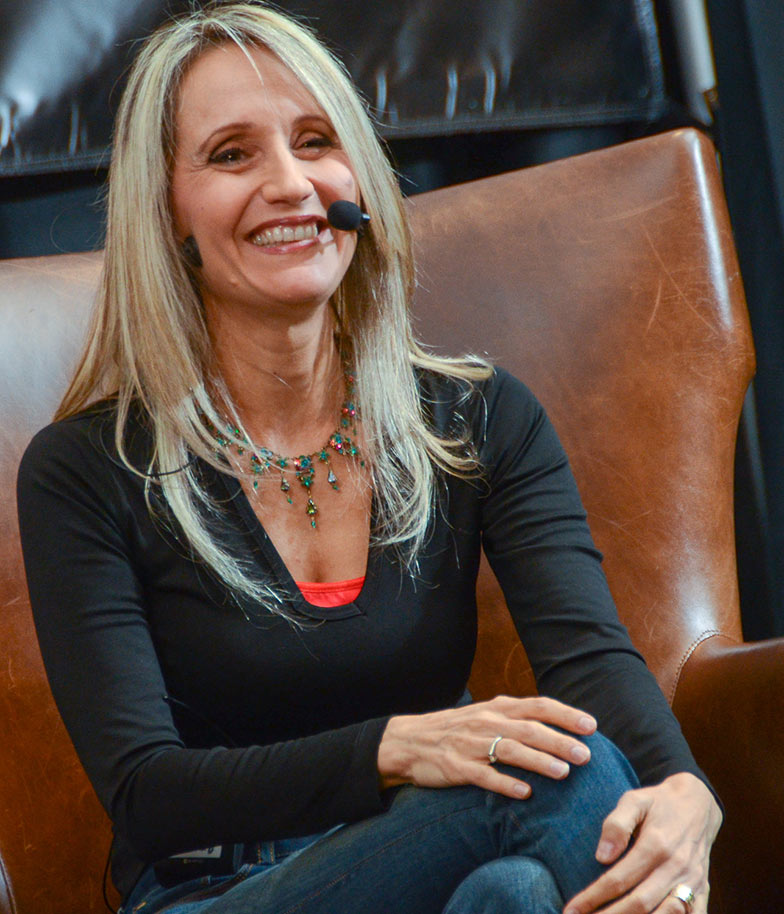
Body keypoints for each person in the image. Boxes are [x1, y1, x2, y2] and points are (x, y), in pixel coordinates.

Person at [16, 3, 721, 913]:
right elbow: (148, 795)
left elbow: (588, 661)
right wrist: (397, 748)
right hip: (215, 888)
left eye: (316, 141)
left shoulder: (478, 417)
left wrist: (686, 792)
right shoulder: (86, 469)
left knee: (514, 892)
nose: (290, 183)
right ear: (169, 214)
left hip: (442, 859)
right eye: (232, 155)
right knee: (551, 776)